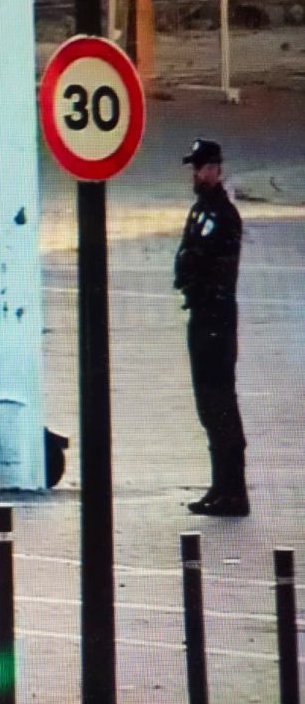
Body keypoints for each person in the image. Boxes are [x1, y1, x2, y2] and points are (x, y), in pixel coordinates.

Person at [174, 138, 248, 517]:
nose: (196, 174)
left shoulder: (223, 215)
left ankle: (234, 489)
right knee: (207, 405)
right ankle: (220, 486)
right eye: (194, 167)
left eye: (201, 167)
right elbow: (185, 258)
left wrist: (194, 271)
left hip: (216, 317)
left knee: (221, 403)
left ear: (215, 169)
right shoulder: (200, 211)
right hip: (201, 316)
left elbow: (207, 264)